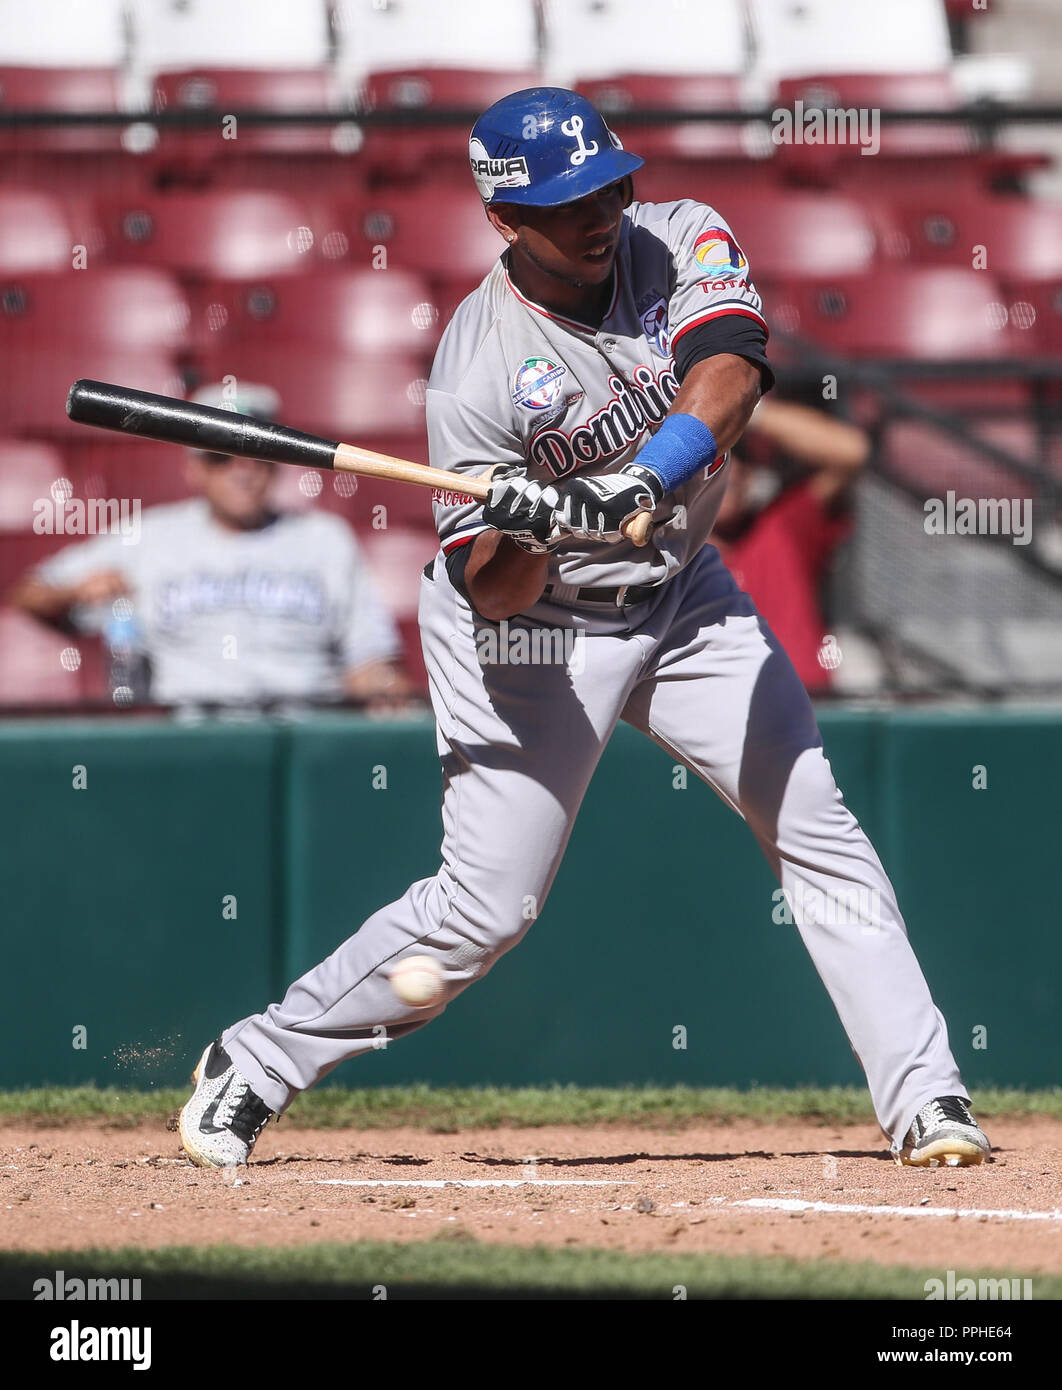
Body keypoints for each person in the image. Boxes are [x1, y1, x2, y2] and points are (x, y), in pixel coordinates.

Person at [179, 89, 990, 1171]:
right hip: (536, 634)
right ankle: (258, 1060)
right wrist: (530, 529)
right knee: (486, 909)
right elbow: (494, 591)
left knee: (816, 824)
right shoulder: (477, 368)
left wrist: (639, 476)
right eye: (569, 204)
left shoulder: (678, 231)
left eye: (609, 184)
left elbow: (732, 374)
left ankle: (927, 1099)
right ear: (507, 222)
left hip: (682, 589)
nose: (603, 211)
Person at [10, 383, 415, 711]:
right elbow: (28, 593)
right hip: (191, 742)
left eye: (258, 452)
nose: (242, 470)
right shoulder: (148, 536)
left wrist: (384, 689)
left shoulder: (326, 540)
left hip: (304, 737)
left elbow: (369, 663)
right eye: (221, 456)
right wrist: (75, 592)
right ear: (194, 468)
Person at [711, 397, 870, 693]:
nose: (729, 473)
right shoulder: (669, 541)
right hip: (707, 708)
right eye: (715, 463)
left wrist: (744, 408)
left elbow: (851, 452)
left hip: (803, 699)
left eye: (738, 460)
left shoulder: (783, 526)